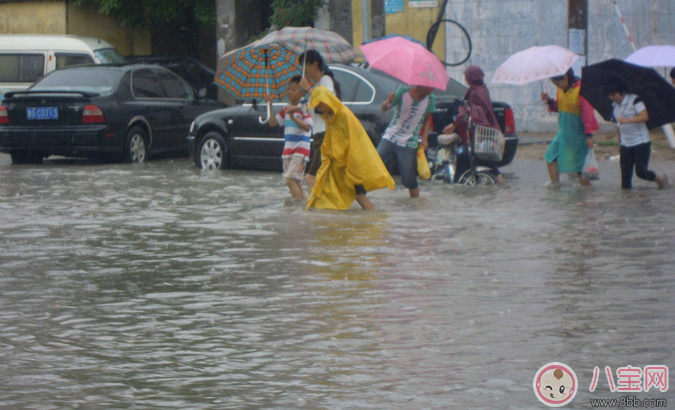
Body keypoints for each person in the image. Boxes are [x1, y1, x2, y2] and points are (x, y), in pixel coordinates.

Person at [306, 86, 395, 210]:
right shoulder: (331, 117)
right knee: (331, 192)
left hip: (352, 163)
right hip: (341, 164)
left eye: (319, 105)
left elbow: (353, 140)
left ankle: (373, 220)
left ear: (325, 101)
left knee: (359, 196)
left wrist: (346, 160)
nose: (318, 109)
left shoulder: (342, 114)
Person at [442, 65, 504, 183]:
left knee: (463, 154)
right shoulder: (480, 89)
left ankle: (457, 183)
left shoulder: (477, 92)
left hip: (480, 132)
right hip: (480, 131)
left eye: (466, 76)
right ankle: (497, 176)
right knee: (476, 154)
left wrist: (455, 124)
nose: (465, 78)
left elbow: (471, 110)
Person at [606, 78, 668, 189]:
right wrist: (620, 140)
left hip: (641, 142)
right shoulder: (614, 106)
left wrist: (626, 120)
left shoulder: (635, 100)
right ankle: (627, 202)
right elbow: (619, 124)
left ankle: (660, 179)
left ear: (622, 93)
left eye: (614, 95)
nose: (613, 98)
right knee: (625, 180)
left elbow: (645, 116)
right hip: (626, 144)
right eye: (610, 95)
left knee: (641, 172)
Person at [540, 68, 599, 186]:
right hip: (565, 133)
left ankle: (586, 196)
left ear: (567, 77)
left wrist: (589, 136)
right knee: (550, 156)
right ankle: (555, 185)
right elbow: (560, 106)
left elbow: (588, 114)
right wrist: (549, 101)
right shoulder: (560, 90)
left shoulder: (581, 91)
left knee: (580, 168)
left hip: (579, 135)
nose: (558, 85)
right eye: (554, 83)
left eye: (559, 82)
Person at [377, 85, 435, 198]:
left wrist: (425, 139)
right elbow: (384, 108)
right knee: (375, 162)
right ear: (422, 85)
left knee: (408, 177)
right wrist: (388, 101)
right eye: (430, 87)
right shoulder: (402, 92)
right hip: (390, 136)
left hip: (409, 141)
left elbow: (428, 119)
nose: (433, 90)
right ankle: (360, 193)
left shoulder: (430, 98)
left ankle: (415, 202)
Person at [298, 50, 340, 194]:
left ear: (315, 64)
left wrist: (309, 89)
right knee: (326, 179)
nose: (303, 71)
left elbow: (328, 105)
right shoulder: (316, 86)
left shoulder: (326, 81)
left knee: (311, 178)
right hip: (318, 135)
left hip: (325, 135)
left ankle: (316, 211)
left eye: (305, 67)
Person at [265, 76, 313, 200]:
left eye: (293, 89)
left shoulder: (305, 107)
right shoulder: (286, 108)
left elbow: (307, 127)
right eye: (288, 89)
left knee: (289, 179)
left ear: (301, 92)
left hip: (301, 150)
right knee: (296, 183)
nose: (289, 92)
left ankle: (296, 208)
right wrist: (269, 105)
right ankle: (304, 208)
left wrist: (294, 118)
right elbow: (273, 123)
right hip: (288, 150)